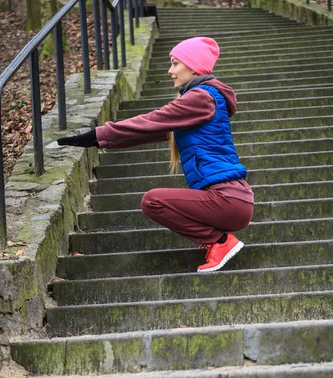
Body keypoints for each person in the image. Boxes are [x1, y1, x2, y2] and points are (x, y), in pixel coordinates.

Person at [57, 36, 254, 273]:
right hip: (230, 199)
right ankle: (218, 242)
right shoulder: (201, 100)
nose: (170, 71)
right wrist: (98, 139)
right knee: (155, 200)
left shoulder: (201, 98)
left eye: (175, 63)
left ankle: (221, 242)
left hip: (227, 198)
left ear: (193, 66)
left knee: (153, 201)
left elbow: (153, 120)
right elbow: (148, 132)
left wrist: (98, 134)